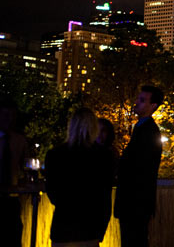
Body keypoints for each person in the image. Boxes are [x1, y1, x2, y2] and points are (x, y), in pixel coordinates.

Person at [45, 107, 114, 247]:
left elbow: (52, 193)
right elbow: (105, 197)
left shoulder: (55, 154)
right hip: (90, 227)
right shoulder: (104, 156)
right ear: (94, 128)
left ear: (71, 126)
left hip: (63, 225)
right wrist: (101, 230)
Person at [114, 85, 164, 247]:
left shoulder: (147, 132)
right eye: (138, 99)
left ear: (153, 106)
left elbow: (139, 167)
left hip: (135, 203)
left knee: (133, 240)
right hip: (138, 203)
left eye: (142, 100)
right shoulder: (144, 129)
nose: (136, 102)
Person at [0, 98, 28, 247]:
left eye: (12, 116)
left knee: (14, 236)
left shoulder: (19, 140)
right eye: (5, 115)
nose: (9, 120)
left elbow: (25, 166)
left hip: (12, 199)